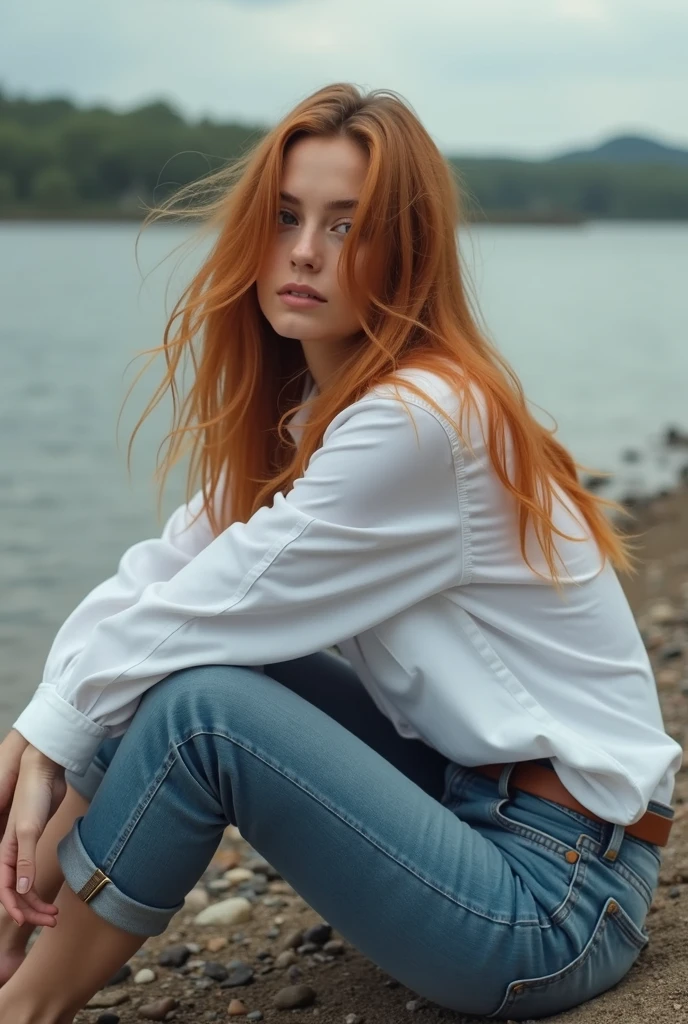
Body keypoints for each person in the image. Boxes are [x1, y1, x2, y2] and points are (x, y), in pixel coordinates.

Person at [0, 81, 680, 1023]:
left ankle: (23, 1005)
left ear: (402, 254)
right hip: (469, 811)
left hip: (555, 897)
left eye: (347, 227)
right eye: (286, 217)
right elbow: (161, 583)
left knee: (202, 709)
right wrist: (34, 740)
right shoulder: (324, 420)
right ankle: (12, 923)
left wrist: (46, 736)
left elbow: (199, 611)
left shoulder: (419, 423)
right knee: (151, 657)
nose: (306, 252)